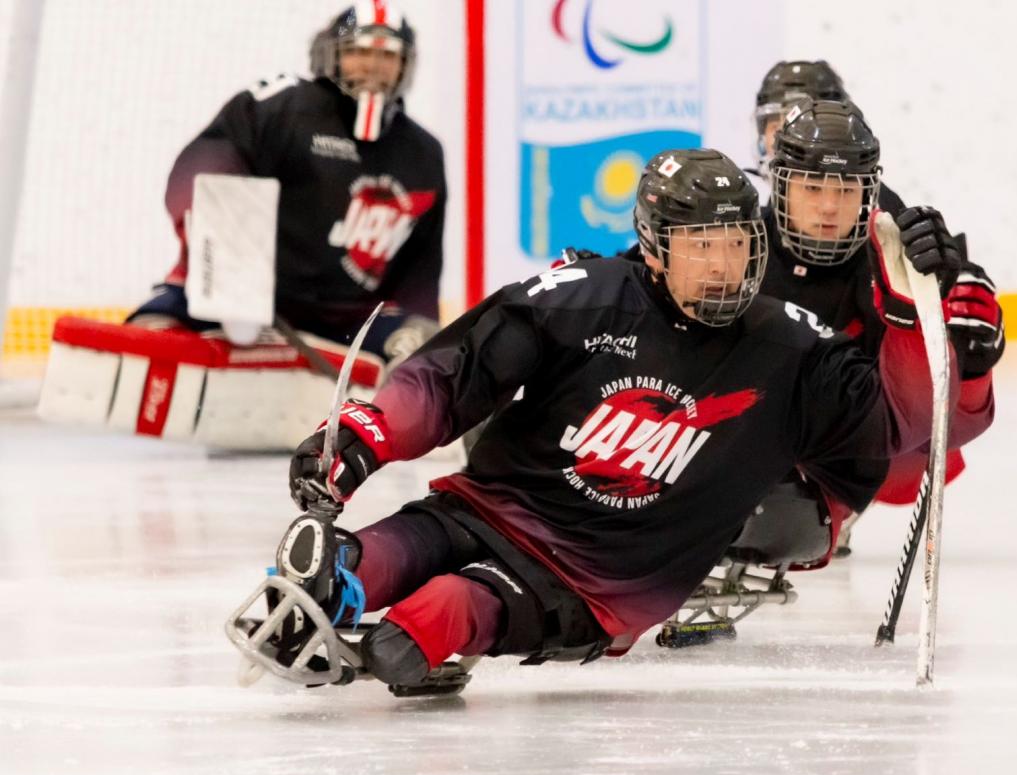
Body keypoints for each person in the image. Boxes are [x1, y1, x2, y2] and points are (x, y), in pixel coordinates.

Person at [240, 146, 965, 692]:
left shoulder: (794, 348)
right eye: (701, 246)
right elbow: (455, 376)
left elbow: (902, 427)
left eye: (740, 243)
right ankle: (335, 580)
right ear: (654, 247)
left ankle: (367, 640)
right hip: (493, 505)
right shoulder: (583, 295)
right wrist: (366, 438)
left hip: (595, 585)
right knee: (398, 544)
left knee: (446, 607)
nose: (725, 266)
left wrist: (906, 310)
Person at [725, 97, 1002, 567]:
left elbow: (940, 422)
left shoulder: (896, 255)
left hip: (860, 452)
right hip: (737, 438)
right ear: (781, 184)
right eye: (813, 188)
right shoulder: (735, 244)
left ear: (870, 191)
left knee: (778, 519)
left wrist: (970, 365)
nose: (831, 207)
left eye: (847, 189)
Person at [129, 1, 445, 365]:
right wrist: (228, 259)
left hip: (348, 321)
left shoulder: (423, 153)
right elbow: (201, 165)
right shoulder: (281, 107)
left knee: (423, 346)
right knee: (153, 328)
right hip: (235, 299)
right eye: (358, 51)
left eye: (387, 56)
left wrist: (420, 333)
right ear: (330, 54)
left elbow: (421, 268)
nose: (373, 66)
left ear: (406, 65)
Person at [750, 59, 904, 215]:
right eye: (776, 128)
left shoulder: (884, 207)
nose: (786, 141)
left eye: (803, 129)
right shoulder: (756, 220)